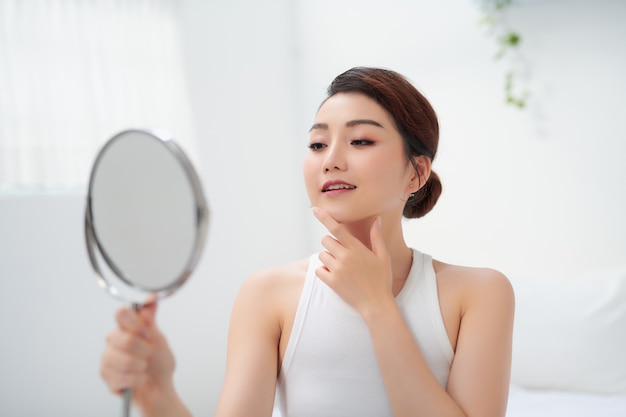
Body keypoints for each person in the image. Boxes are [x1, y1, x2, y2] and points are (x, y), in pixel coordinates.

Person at [100, 67, 515, 417]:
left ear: (416, 173)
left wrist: (377, 306)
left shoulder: (479, 294)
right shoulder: (267, 294)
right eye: (318, 144)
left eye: (361, 141)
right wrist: (159, 395)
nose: (331, 158)